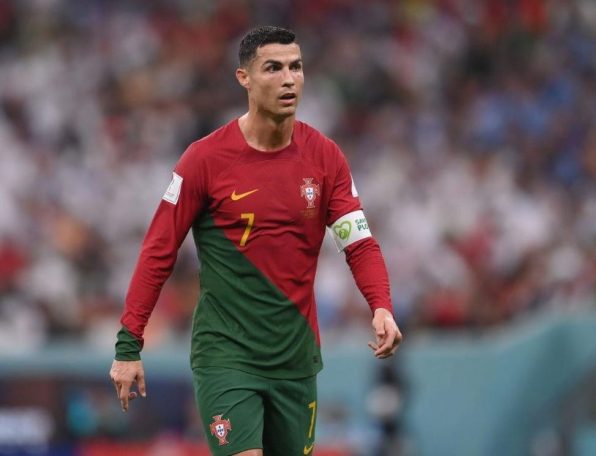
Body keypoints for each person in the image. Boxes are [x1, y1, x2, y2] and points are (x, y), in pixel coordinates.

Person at [109, 25, 402, 456]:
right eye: (273, 68)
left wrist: (381, 305)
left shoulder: (325, 157)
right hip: (226, 357)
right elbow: (159, 250)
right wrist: (128, 345)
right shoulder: (204, 160)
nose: (288, 79)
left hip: (295, 359)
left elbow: (358, 243)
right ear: (244, 78)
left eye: (295, 67)